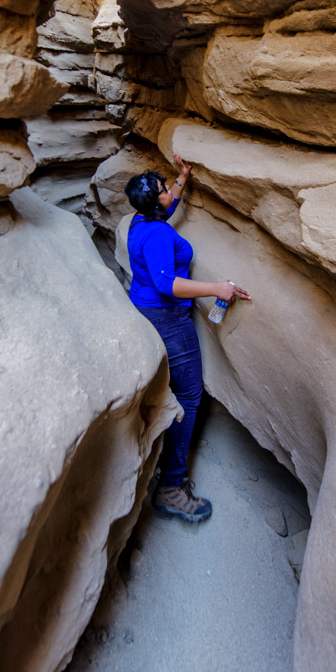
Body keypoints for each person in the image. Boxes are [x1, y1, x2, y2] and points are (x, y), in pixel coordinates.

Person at [124, 154, 251, 522]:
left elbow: (166, 207)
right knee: (190, 396)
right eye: (165, 188)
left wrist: (182, 178)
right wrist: (216, 288)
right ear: (156, 201)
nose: (170, 190)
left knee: (175, 389)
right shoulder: (159, 234)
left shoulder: (141, 221)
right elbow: (167, 284)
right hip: (168, 319)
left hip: (145, 308)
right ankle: (171, 488)